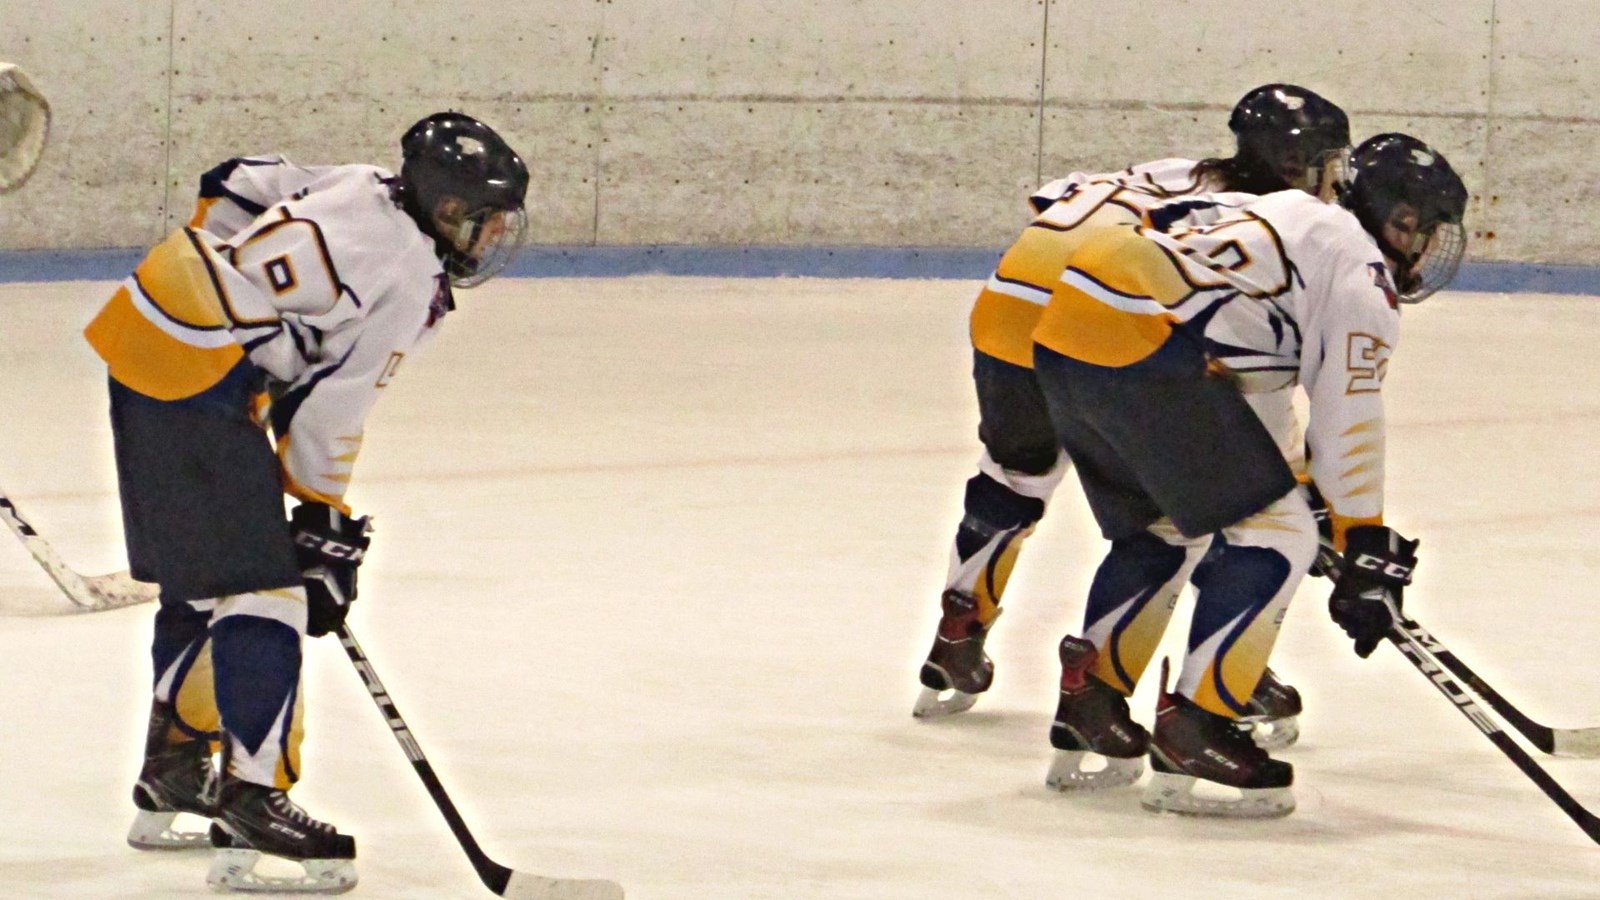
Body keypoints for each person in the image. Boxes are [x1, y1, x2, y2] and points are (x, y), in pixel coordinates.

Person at [84, 112, 529, 892]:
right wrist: (319, 520)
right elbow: (329, 413)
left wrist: (223, 274)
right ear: (443, 208)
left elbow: (236, 179)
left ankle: (176, 771)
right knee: (270, 593)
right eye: (481, 221)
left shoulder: (359, 183)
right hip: (200, 376)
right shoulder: (407, 279)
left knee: (206, 578)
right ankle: (252, 800)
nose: (489, 239)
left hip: (147, 330)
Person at [1028, 133, 1468, 817]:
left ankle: (1092, 702)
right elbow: (1348, 410)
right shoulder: (1361, 272)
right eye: (1408, 224)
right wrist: (1365, 543)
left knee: (1165, 527)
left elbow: (1245, 381)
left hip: (1068, 330)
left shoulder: (1291, 216)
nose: (1416, 244)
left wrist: (1319, 499)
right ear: (1376, 211)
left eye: (1427, 230)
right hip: (1146, 343)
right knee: (1277, 537)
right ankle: (1196, 728)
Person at [913, 84, 1351, 750]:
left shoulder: (1176, 170)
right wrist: (1295, 488)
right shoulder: (1270, 223)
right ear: (1299, 165)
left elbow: (1053, 204)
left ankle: (957, 631)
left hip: (1005, 303)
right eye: (1327, 164)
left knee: (1013, 477)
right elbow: (1246, 383)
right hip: (1086, 330)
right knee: (1195, 511)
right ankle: (1221, 666)